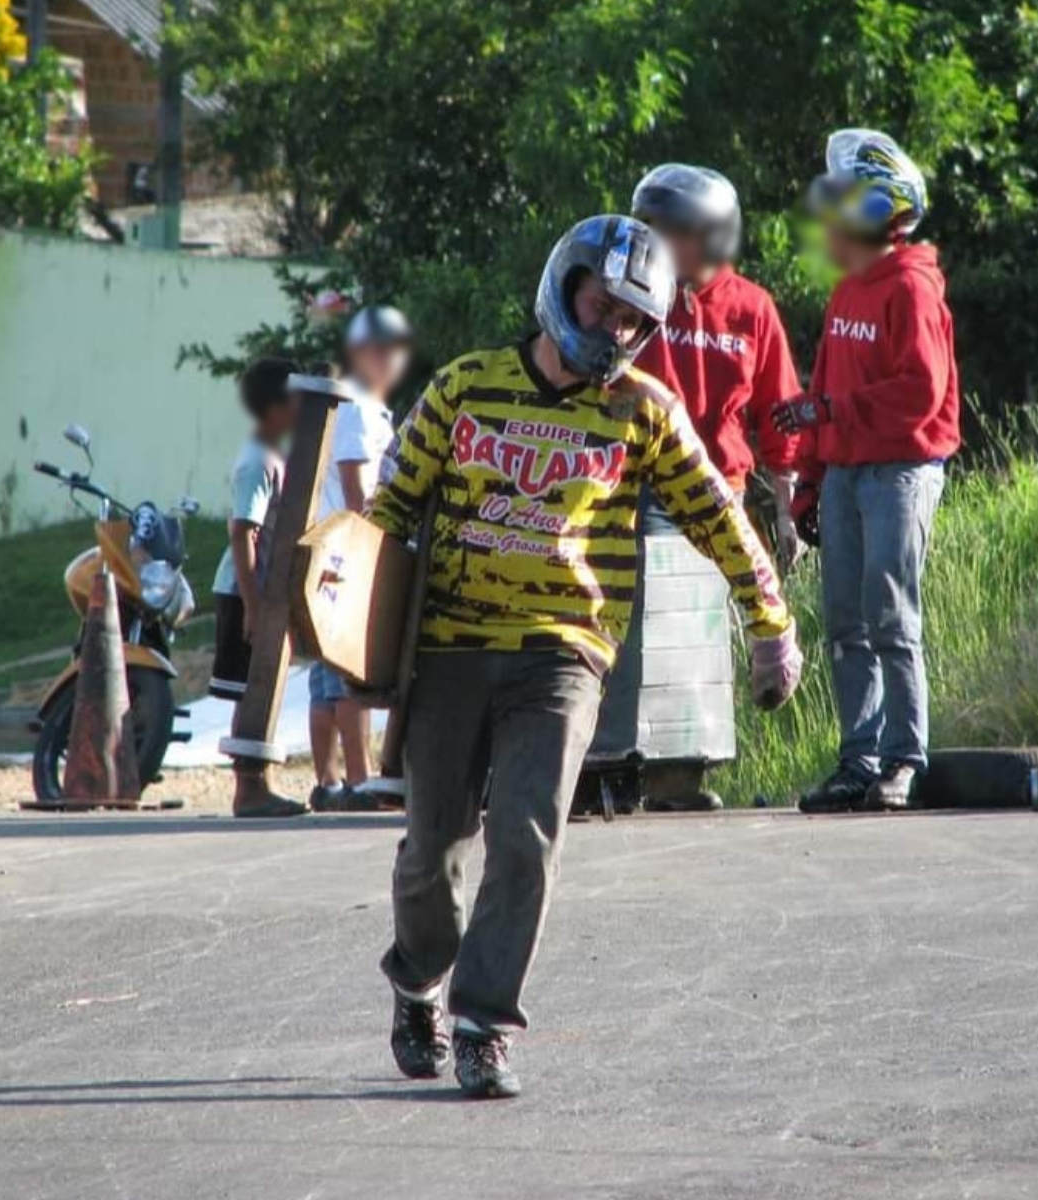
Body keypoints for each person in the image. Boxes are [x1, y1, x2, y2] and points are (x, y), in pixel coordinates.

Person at [369, 214, 804, 1100]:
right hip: (449, 646)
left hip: (564, 653)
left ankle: (485, 1024)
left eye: (633, 322)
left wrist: (771, 623)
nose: (613, 331)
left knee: (526, 838)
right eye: (602, 306)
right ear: (562, 284)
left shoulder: (643, 410)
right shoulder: (463, 388)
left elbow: (719, 516)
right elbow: (385, 514)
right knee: (432, 853)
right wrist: (335, 615)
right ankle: (419, 978)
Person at [771, 129, 960, 813]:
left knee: (890, 616)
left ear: (876, 207)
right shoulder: (847, 290)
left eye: (839, 202)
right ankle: (861, 760)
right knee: (846, 623)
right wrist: (813, 481)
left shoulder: (909, 287)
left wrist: (832, 410)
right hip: (850, 473)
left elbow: (920, 391)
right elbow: (823, 389)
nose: (826, 219)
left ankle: (906, 759)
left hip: (901, 471)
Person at [632, 163, 804, 567]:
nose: (657, 241)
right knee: (656, 607)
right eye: (652, 228)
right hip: (645, 479)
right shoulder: (635, 294)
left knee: (715, 611)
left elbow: (780, 408)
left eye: (672, 231)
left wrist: (786, 508)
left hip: (721, 486)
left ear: (714, 236)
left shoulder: (752, 308)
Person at [307, 307, 414, 811]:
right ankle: (356, 779)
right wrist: (373, 545)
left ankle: (330, 782)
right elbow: (355, 484)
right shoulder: (357, 405)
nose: (390, 361)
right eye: (382, 351)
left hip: (342, 549)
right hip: (351, 550)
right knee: (350, 675)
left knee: (332, 677)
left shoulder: (368, 405)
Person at [209, 357, 299, 707]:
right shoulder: (257, 462)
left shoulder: (274, 453)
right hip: (243, 590)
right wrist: (253, 607)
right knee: (247, 696)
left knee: (258, 693)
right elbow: (242, 532)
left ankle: (251, 762)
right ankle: (246, 763)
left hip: (258, 591)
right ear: (276, 407)